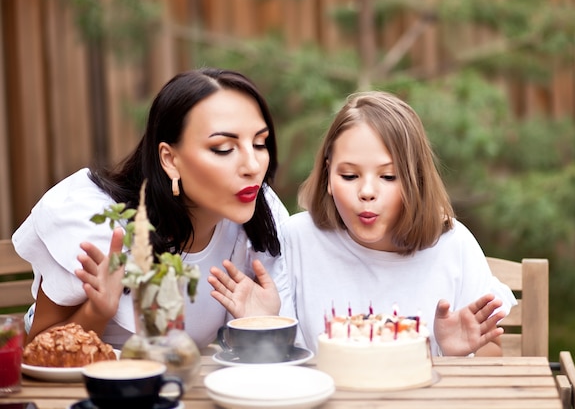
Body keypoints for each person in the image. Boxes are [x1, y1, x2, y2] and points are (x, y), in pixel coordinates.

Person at [211, 90, 516, 357]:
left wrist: (453, 355)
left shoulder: (453, 245)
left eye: (388, 176)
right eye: (349, 176)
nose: (367, 192)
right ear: (329, 176)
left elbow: (491, 351)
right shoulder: (296, 240)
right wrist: (265, 325)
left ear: (415, 180)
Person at [12, 67, 291, 350]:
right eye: (223, 148)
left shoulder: (259, 219)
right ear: (169, 159)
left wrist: (260, 326)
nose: (254, 166)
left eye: (259, 143)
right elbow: (36, 349)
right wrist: (97, 312)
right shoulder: (102, 227)